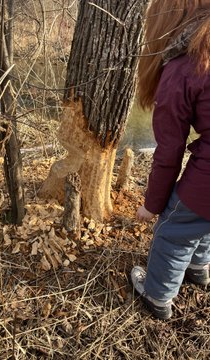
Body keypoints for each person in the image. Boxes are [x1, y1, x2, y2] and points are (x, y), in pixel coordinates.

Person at [131, 0, 210, 320]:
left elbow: (168, 152)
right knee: (203, 219)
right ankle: (200, 269)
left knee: (174, 228)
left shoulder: (186, 66)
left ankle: (157, 296)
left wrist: (152, 205)